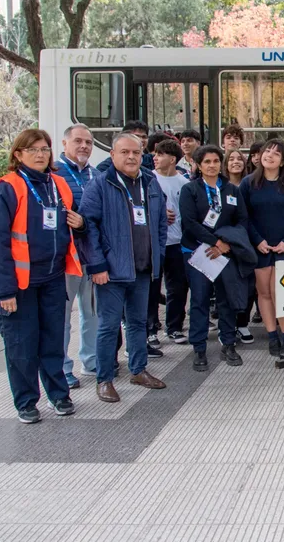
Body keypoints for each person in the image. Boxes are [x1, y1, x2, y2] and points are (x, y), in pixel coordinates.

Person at [0, 129, 84, 423]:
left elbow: (67, 225)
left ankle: (59, 395)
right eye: (33, 150)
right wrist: (4, 292)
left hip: (52, 279)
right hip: (19, 285)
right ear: (18, 155)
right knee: (22, 346)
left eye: (45, 149)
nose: (41, 155)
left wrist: (81, 225)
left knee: (53, 341)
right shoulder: (6, 189)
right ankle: (26, 402)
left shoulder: (59, 184)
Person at [77, 131, 168, 403]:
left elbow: (161, 223)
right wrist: (97, 265)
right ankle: (104, 379)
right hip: (111, 271)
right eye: (125, 152)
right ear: (113, 155)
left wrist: (158, 256)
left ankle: (138, 370)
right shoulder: (100, 185)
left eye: (136, 153)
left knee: (138, 322)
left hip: (142, 268)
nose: (131, 157)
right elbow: (87, 227)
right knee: (108, 326)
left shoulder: (151, 182)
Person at [179, 145, 254, 371]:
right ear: (199, 165)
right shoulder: (190, 189)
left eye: (215, 161)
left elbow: (242, 220)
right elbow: (189, 222)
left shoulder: (231, 190)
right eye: (207, 162)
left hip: (225, 252)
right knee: (200, 300)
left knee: (227, 299)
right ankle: (199, 348)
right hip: (197, 252)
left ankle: (228, 343)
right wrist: (215, 242)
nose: (212, 165)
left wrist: (226, 244)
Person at [240, 138, 284, 356]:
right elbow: (244, 217)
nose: (269, 155)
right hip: (260, 248)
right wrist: (257, 240)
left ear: (282, 161)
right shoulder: (248, 183)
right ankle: (272, 336)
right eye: (266, 151)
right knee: (264, 293)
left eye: (276, 153)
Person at [55, 124, 98, 388]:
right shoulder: (54, 175)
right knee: (62, 316)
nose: (84, 147)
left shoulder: (95, 175)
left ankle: (92, 361)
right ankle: (62, 368)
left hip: (92, 255)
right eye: (78, 141)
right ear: (64, 144)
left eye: (89, 143)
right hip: (66, 256)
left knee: (92, 312)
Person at [148, 138, 190, 345]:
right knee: (152, 287)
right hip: (154, 243)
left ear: (172, 159)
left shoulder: (184, 183)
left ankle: (174, 327)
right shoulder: (148, 179)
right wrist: (159, 214)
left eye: (160, 154)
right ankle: (151, 329)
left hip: (178, 243)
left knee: (178, 287)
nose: (155, 158)